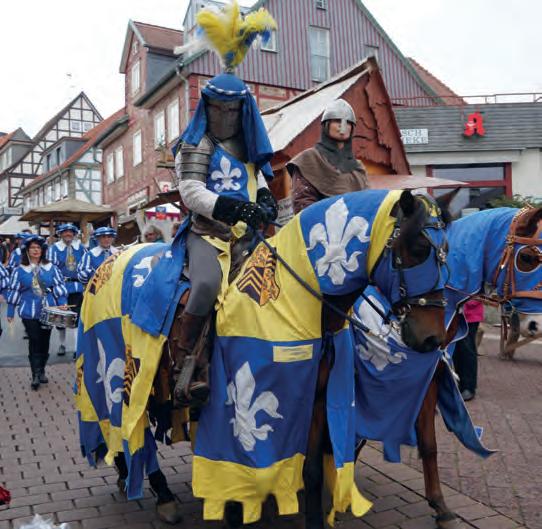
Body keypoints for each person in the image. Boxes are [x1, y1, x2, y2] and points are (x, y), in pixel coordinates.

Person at [172, 42, 278, 403]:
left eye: (232, 109)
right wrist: (231, 209)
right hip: (208, 234)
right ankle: (187, 362)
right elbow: (190, 191)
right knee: (206, 285)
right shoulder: (196, 142)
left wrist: (264, 197)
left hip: (247, 237)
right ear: (208, 106)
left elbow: (255, 177)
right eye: (219, 108)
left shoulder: (248, 143)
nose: (226, 115)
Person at [287, 98, 369, 214]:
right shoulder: (309, 159)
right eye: (337, 121)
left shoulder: (357, 168)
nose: (342, 126)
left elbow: (368, 203)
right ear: (326, 125)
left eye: (348, 122)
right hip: (322, 222)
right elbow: (303, 203)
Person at [7, 235, 67, 390]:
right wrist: (10, 311)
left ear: (43, 250)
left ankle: (42, 370)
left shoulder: (51, 268)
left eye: (38, 247)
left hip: (49, 310)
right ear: (27, 251)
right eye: (32, 248)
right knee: (34, 340)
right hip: (29, 311)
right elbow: (14, 290)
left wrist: (62, 304)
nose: (35, 250)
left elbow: (59, 287)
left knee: (45, 341)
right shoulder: (19, 271)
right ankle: (35, 374)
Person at [47, 224, 87, 356]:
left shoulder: (81, 248)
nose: (68, 234)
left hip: (77, 287)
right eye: (65, 232)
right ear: (60, 234)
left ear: (74, 234)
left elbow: (85, 265)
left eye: (70, 232)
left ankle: (76, 348)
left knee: (77, 318)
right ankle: (62, 344)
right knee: (61, 319)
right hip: (61, 288)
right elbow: (50, 268)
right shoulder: (53, 249)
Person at [453, 299, 484, 402]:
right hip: (452, 313)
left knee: (467, 350)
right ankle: (458, 383)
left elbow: (480, 294)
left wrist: (463, 302)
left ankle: (468, 387)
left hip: (470, 315)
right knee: (455, 350)